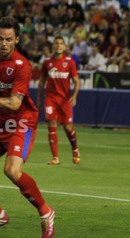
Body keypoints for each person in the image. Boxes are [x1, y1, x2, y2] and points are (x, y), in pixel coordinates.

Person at [0, 16, 55, 238]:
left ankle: (45, 211)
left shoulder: (22, 65)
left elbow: (16, 103)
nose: (3, 43)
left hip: (21, 122)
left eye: (8, 39)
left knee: (12, 171)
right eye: (0, 38)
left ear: (16, 40)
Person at [37, 36, 81, 165]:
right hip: (50, 98)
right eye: (56, 43)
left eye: (61, 44)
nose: (58, 46)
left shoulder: (70, 62)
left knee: (68, 128)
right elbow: (41, 81)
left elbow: (76, 81)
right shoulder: (47, 62)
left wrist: (75, 95)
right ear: (53, 46)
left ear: (64, 47)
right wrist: (39, 98)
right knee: (52, 124)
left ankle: (75, 149)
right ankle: (55, 157)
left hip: (64, 100)